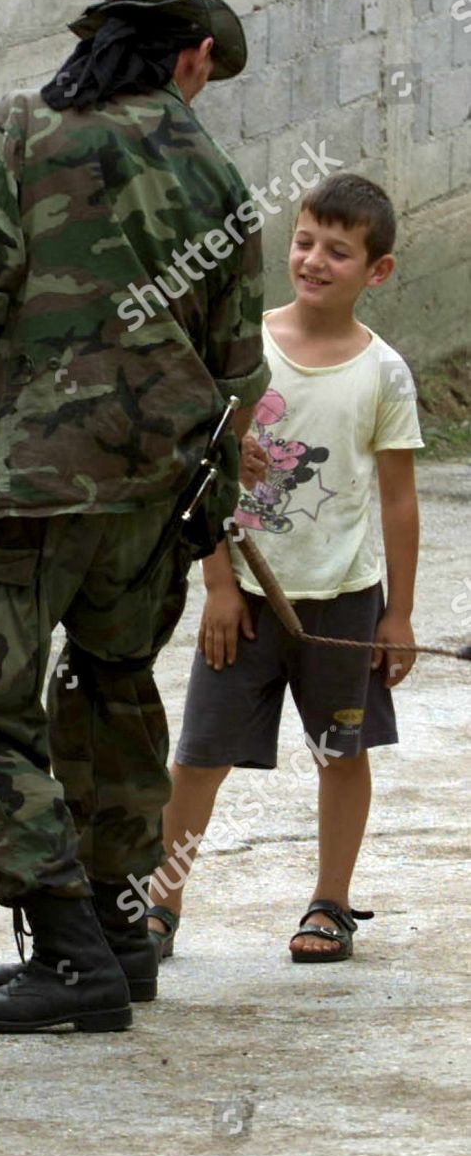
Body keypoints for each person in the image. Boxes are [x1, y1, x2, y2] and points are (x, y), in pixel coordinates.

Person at [0, 0, 269, 1033]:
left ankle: (68, 950)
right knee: (114, 693)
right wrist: (213, 506)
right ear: (189, 56)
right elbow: (240, 372)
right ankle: (120, 935)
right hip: (151, 499)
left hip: (23, 489)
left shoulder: (22, 131)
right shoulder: (220, 179)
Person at [146, 173, 422, 964]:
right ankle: (161, 908)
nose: (314, 261)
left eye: (339, 251)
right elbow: (204, 474)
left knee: (341, 753)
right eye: (304, 242)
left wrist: (397, 615)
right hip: (248, 601)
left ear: (377, 271)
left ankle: (330, 903)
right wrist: (219, 585)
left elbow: (399, 503)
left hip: (342, 603)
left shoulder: (385, 373)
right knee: (198, 758)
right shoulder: (247, 351)